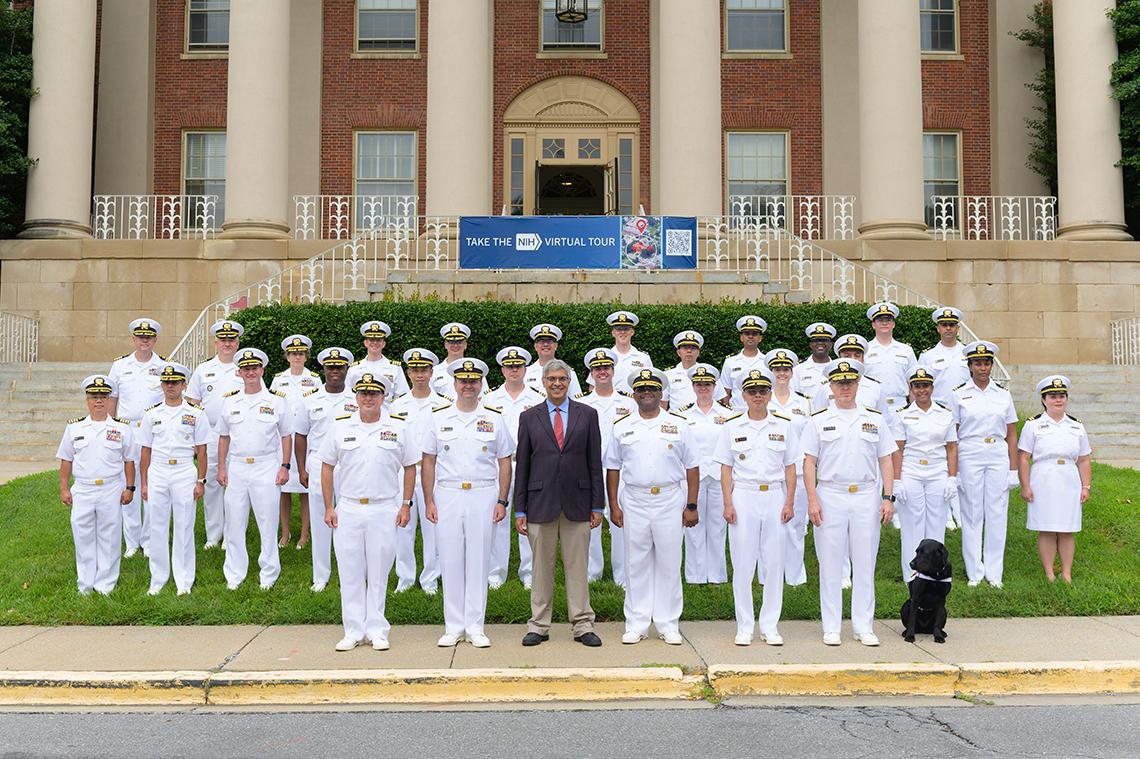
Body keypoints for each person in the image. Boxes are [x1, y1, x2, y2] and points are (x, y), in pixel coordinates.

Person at [318, 371, 418, 652]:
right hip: (348, 508)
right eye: (363, 394)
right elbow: (327, 466)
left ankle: (377, 629)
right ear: (356, 397)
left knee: (378, 571)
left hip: (384, 508)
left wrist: (406, 504)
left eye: (374, 394)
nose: (368, 399)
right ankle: (352, 630)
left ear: (383, 397)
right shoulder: (340, 426)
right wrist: (329, 506)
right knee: (349, 571)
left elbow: (411, 466)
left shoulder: (398, 427)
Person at [801, 358, 897, 646]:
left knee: (865, 563)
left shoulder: (874, 419)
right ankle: (831, 627)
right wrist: (812, 499)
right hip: (830, 495)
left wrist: (888, 497)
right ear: (831, 386)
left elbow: (886, 460)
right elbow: (808, 463)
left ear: (857, 385)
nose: (845, 387)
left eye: (850, 383)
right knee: (830, 564)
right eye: (840, 383)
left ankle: (863, 626)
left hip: (866, 495)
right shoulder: (818, 420)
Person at [422, 358, 515, 648]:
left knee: (478, 559)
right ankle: (453, 626)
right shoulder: (438, 417)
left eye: (473, 381)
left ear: (480, 385)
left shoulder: (494, 417)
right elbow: (428, 460)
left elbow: (504, 461)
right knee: (449, 558)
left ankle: (475, 626)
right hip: (447, 493)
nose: (468, 386)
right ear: (455, 384)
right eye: (463, 381)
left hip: (483, 494)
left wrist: (502, 499)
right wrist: (428, 500)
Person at [514, 359, 604, 648]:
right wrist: (520, 509)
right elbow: (523, 465)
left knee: (578, 565)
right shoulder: (529, 417)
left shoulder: (588, 415)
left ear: (569, 382)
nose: (556, 384)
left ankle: (582, 624)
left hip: (578, 502)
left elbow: (594, 462)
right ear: (543, 382)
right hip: (540, 502)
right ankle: (539, 625)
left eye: (562, 379)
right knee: (541, 566)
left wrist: (597, 505)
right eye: (551, 379)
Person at [606, 368, 700, 646]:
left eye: (652, 390)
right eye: (641, 390)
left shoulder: (679, 424)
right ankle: (636, 622)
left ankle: (668, 623)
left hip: (670, 499)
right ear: (634, 394)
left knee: (669, 562)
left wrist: (691, 505)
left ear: (661, 394)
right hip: (634, 499)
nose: (647, 394)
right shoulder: (622, 426)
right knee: (635, 563)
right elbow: (613, 467)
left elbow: (692, 467)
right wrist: (614, 505)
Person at [715, 367, 797, 646]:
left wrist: (789, 501)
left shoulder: (784, 425)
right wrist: (727, 503)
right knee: (743, 563)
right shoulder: (732, 426)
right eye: (752, 392)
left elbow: (790, 468)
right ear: (743, 395)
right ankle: (745, 625)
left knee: (774, 563)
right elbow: (726, 469)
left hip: (774, 494)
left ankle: (770, 625)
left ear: (770, 394)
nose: (758, 396)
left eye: (763, 391)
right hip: (744, 496)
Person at [215, 348, 292, 591]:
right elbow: (224, 437)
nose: (250, 372)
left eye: (254, 368)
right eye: (246, 369)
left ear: (262, 370)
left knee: (267, 522)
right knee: (234, 523)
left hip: (266, 466)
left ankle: (268, 573)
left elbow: (286, 435)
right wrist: (221, 467)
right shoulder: (230, 401)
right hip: (237, 466)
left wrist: (285, 466)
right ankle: (235, 574)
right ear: (240, 372)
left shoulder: (276, 400)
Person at [57, 375, 135, 596]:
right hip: (83, 488)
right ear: (87, 400)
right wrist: (64, 488)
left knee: (109, 537)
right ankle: (85, 584)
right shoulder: (74, 428)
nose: (99, 400)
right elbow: (66, 460)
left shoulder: (122, 428)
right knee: (83, 535)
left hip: (111, 487)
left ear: (110, 399)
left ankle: (106, 585)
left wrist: (130, 488)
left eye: (103, 396)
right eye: (94, 396)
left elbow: (129, 461)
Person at [949, 340, 1018, 588]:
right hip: (970, 451)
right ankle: (975, 572)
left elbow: (1011, 433)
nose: (982, 367)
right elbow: (952, 436)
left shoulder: (1003, 394)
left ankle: (994, 572)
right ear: (969, 366)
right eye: (977, 363)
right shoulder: (959, 393)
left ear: (992, 365)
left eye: (986, 363)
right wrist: (953, 471)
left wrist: (1013, 469)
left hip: (997, 452)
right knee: (972, 512)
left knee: (997, 512)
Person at [138, 363, 208, 596]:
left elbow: (202, 450)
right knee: (156, 525)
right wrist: (144, 483)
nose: (170, 386)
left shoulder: (196, 414)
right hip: (157, 471)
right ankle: (157, 580)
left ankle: (184, 581)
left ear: (184, 385)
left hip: (184, 470)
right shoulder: (151, 414)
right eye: (166, 382)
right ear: (161, 385)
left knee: (184, 525)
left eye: (175, 382)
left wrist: (201, 480)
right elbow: (145, 451)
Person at [294, 347, 359, 593]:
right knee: (321, 519)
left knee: (349, 521)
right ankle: (320, 575)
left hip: (349, 465)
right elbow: (300, 436)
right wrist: (301, 469)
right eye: (330, 367)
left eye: (339, 367)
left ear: (346, 370)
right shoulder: (310, 399)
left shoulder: (357, 399)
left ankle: (349, 573)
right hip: (318, 464)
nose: (334, 371)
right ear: (323, 369)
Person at [1018, 375, 1092, 584]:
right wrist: (1025, 485)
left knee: (1067, 529)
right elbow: (1023, 457)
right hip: (1043, 478)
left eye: (1061, 396)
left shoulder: (1077, 426)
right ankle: (1050, 573)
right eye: (1052, 396)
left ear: (1066, 399)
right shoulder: (1033, 425)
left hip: (1068, 478)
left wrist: (1086, 486)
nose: (1058, 400)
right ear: (1043, 400)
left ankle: (1066, 573)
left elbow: (1084, 459)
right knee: (1047, 527)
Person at [389, 348, 452, 594]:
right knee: (402, 527)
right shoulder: (397, 405)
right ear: (408, 372)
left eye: (424, 370)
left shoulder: (443, 405)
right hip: (404, 472)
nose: (419, 374)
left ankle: (430, 579)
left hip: (432, 472)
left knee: (432, 526)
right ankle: (404, 577)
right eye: (415, 370)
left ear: (431, 372)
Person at [484, 346, 546, 589]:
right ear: (502, 369)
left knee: (528, 518)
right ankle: (495, 574)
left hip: (527, 463)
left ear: (525, 369)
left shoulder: (536, 398)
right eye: (509, 366)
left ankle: (528, 572)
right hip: (498, 465)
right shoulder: (489, 399)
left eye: (518, 366)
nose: (513, 370)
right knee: (497, 517)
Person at [893, 366, 958, 580]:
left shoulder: (945, 413)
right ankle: (911, 574)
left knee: (936, 522)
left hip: (937, 471)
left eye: (926, 385)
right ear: (911, 388)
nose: (922, 390)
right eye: (917, 386)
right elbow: (898, 449)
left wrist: (951, 477)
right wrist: (896, 480)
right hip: (911, 471)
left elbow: (951, 447)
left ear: (932, 387)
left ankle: (933, 572)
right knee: (912, 524)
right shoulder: (902, 415)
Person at [108, 317, 165, 558]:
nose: (145, 340)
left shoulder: (164, 366)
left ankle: (150, 540)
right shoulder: (120, 366)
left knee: (151, 485)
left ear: (155, 339)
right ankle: (132, 542)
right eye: (140, 337)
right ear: (133, 339)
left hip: (153, 432)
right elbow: (112, 398)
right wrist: (109, 430)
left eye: (149, 337)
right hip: (127, 430)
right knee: (128, 484)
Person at [186, 319, 245, 549]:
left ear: (238, 343)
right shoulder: (203, 369)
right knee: (211, 483)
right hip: (209, 435)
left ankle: (232, 533)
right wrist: (192, 437)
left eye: (231, 340)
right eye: (223, 340)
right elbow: (192, 403)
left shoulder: (245, 369)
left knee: (235, 485)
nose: (227, 344)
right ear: (215, 342)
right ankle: (214, 534)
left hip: (238, 434)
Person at [575, 347, 632, 585]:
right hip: (591, 469)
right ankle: (592, 573)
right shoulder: (580, 404)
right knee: (591, 520)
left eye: (606, 368)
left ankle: (622, 574)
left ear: (613, 370)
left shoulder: (629, 404)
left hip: (621, 470)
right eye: (597, 368)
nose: (602, 372)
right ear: (591, 373)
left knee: (620, 519)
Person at [675, 364, 733, 585]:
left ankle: (717, 576)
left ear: (715, 386)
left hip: (719, 477)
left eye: (707, 384)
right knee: (693, 527)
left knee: (718, 526)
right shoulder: (682, 416)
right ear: (692, 386)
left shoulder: (727, 415)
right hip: (693, 479)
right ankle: (695, 576)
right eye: (699, 384)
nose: (703, 388)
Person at [919, 306, 971, 530]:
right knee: (939, 463)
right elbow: (919, 387)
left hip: (964, 415)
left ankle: (959, 509)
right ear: (938, 328)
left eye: (952, 325)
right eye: (944, 325)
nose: (948, 328)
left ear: (957, 327)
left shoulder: (968, 353)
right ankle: (944, 512)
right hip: (937, 415)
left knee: (958, 462)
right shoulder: (928, 355)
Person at [765, 348, 812, 586]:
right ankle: (769, 576)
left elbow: (812, 438)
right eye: (776, 369)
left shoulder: (804, 402)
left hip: (799, 470)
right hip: (770, 470)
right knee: (770, 525)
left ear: (792, 372)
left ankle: (795, 576)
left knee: (795, 524)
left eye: (785, 369)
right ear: (770, 372)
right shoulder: (763, 399)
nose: (781, 373)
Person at [270, 334, 320, 550]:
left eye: (300, 353)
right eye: (293, 353)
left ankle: (305, 533)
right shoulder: (278, 379)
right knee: (284, 489)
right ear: (287, 356)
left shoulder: (315, 379)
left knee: (305, 488)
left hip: (305, 440)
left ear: (306, 356)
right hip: (282, 440)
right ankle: (285, 532)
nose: (297, 356)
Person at [863, 301, 918, 412]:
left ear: (893, 324)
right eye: (880, 320)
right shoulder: (865, 350)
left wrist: (914, 409)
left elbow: (914, 382)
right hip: (872, 405)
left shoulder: (906, 350)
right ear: (873, 325)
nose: (884, 323)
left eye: (888, 320)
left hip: (901, 406)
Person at [347, 320, 410, 401]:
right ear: (365, 343)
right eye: (371, 340)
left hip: (387, 412)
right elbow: (347, 396)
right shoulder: (354, 368)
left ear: (384, 344)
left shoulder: (395, 368)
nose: (375, 343)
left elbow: (402, 395)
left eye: (378, 340)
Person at [719, 315, 767, 410]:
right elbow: (725, 392)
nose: (750, 336)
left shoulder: (767, 361)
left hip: (762, 412)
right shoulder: (730, 362)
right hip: (737, 412)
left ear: (760, 338)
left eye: (754, 334)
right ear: (741, 337)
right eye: (747, 333)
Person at [525, 323, 583, 398]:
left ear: (556, 346)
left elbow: (576, 401)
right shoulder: (526, 373)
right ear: (535, 346)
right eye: (541, 341)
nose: (545, 344)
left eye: (549, 341)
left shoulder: (568, 372)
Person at [431, 322, 488, 396]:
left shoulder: (477, 369)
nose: (455, 345)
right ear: (445, 345)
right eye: (451, 342)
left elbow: (485, 397)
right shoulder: (435, 371)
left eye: (459, 342)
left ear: (465, 345)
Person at [603, 311, 653, 394]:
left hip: (635, 404)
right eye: (619, 329)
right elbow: (593, 385)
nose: (622, 332)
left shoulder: (643, 358)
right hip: (609, 404)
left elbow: (650, 385)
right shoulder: (606, 358)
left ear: (632, 332)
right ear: (613, 333)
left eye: (626, 329)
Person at [793, 322, 837, 399]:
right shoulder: (798, 370)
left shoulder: (837, 368)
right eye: (816, 340)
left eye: (824, 340)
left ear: (831, 344)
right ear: (810, 344)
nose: (820, 343)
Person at [663, 330, 704, 410]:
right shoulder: (668, 375)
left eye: (693, 348)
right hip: (676, 419)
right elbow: (663, 404)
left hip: (702, 419)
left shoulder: (709, 373)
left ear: (698, 352)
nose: (689, 351)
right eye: (685, 348)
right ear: (678, 352)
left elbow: (719, 400)